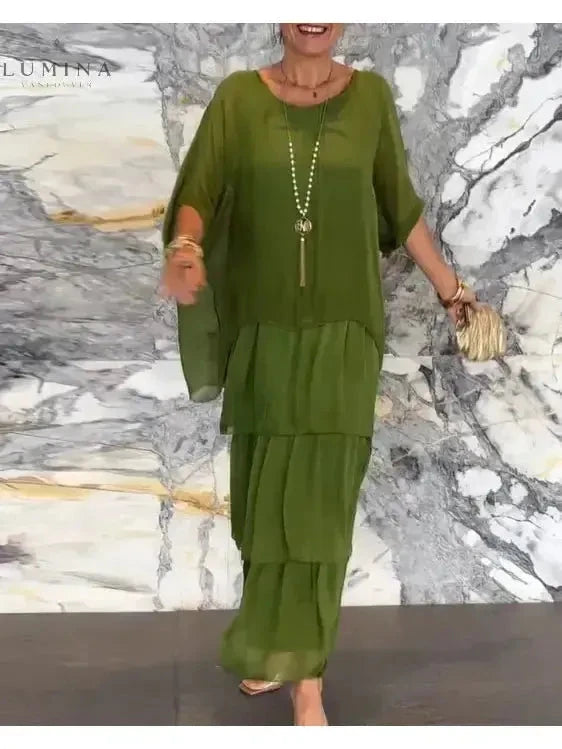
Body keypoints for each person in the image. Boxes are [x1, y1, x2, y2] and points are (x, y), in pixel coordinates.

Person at [160, 23, 478, 726]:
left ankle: (308, 678)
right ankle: (272, 642)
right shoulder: (238, 100)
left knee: (320, 506)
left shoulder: (370, 100)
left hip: (345, 333)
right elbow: (199, 192)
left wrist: (452, 291)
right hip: (264, 332)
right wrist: (185, 245)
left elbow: (401, 206)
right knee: (264, 501)